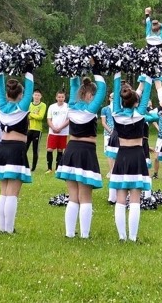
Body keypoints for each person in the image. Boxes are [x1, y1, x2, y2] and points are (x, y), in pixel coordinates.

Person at [55, 72, 106, 239]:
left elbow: (73, 85)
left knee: (73, 196)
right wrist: (97, 71)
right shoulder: (90, 109)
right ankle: (84, 235)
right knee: (85, 197)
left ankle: (70, 233)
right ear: (90, 94)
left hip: (71, 150)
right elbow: (103, 89)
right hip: (86, 152)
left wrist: (73, 72)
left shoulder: (71, 106)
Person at [0, 68, 34, 234]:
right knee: (12, 192)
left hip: (2, 149)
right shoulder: (22, 106)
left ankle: (2, 228)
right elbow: (30, 88)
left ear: (7, 95)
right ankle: (8, 230)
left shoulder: (1, 105)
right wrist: (30, 69)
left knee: (4, 191)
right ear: (21, 95)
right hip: (16, 150)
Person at [111, 73, 153, 242]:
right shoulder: (140, 113)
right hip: (137, 155)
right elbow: (147, 92)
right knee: (135, 198)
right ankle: (133, 237)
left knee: (120, 197)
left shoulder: (115, 113)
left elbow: (115, 93)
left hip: (122, 156)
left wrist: (117, 73)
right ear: (137, 101)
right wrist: (149, 73)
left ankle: (122, 236)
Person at [144, 7, 162, 103]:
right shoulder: (161, 37)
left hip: (146, 63)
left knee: (141, 85)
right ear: (159, 30)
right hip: (157, 64)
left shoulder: (148, 36)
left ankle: (132, 103)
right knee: (158, 86)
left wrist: (147, 13)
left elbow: (147, 24)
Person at [46, 91, 69, 173]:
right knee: (49, 149)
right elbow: (49, 119)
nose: (60, 99)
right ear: (56, 98)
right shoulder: (52, 107)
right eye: (59, 97)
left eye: (62, 97)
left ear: (64, 97)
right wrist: (53, 128)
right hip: (52, 132)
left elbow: (68, 119)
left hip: (63, 132)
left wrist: (60, 128)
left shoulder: (68, 107)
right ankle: (49, 168)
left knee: (60, 150)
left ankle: (58, 168)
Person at [25, 89, 46, 172]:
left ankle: (33, 168)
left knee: (35, 149)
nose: (36, 97)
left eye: (38, 95)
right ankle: (25, 165)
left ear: (40, 97)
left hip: (37, 130)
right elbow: (27, 116)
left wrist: (30, 114)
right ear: (33, 96)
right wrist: (33, 115)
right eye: (35, 95)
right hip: (29, 129)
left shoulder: (43, 105)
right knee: (24, 148)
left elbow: (40, 117)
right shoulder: (29, 105)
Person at [100, 93, 115, 178]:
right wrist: (110, 131)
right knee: (109, 153)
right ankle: (111, 171)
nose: (113, 99)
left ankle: (116, 171)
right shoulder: (105, 109)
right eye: (111, 97)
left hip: (118, 133)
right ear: (109, 98)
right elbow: (103, 122)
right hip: (108, 133)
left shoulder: (120, 109)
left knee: (117, 152)